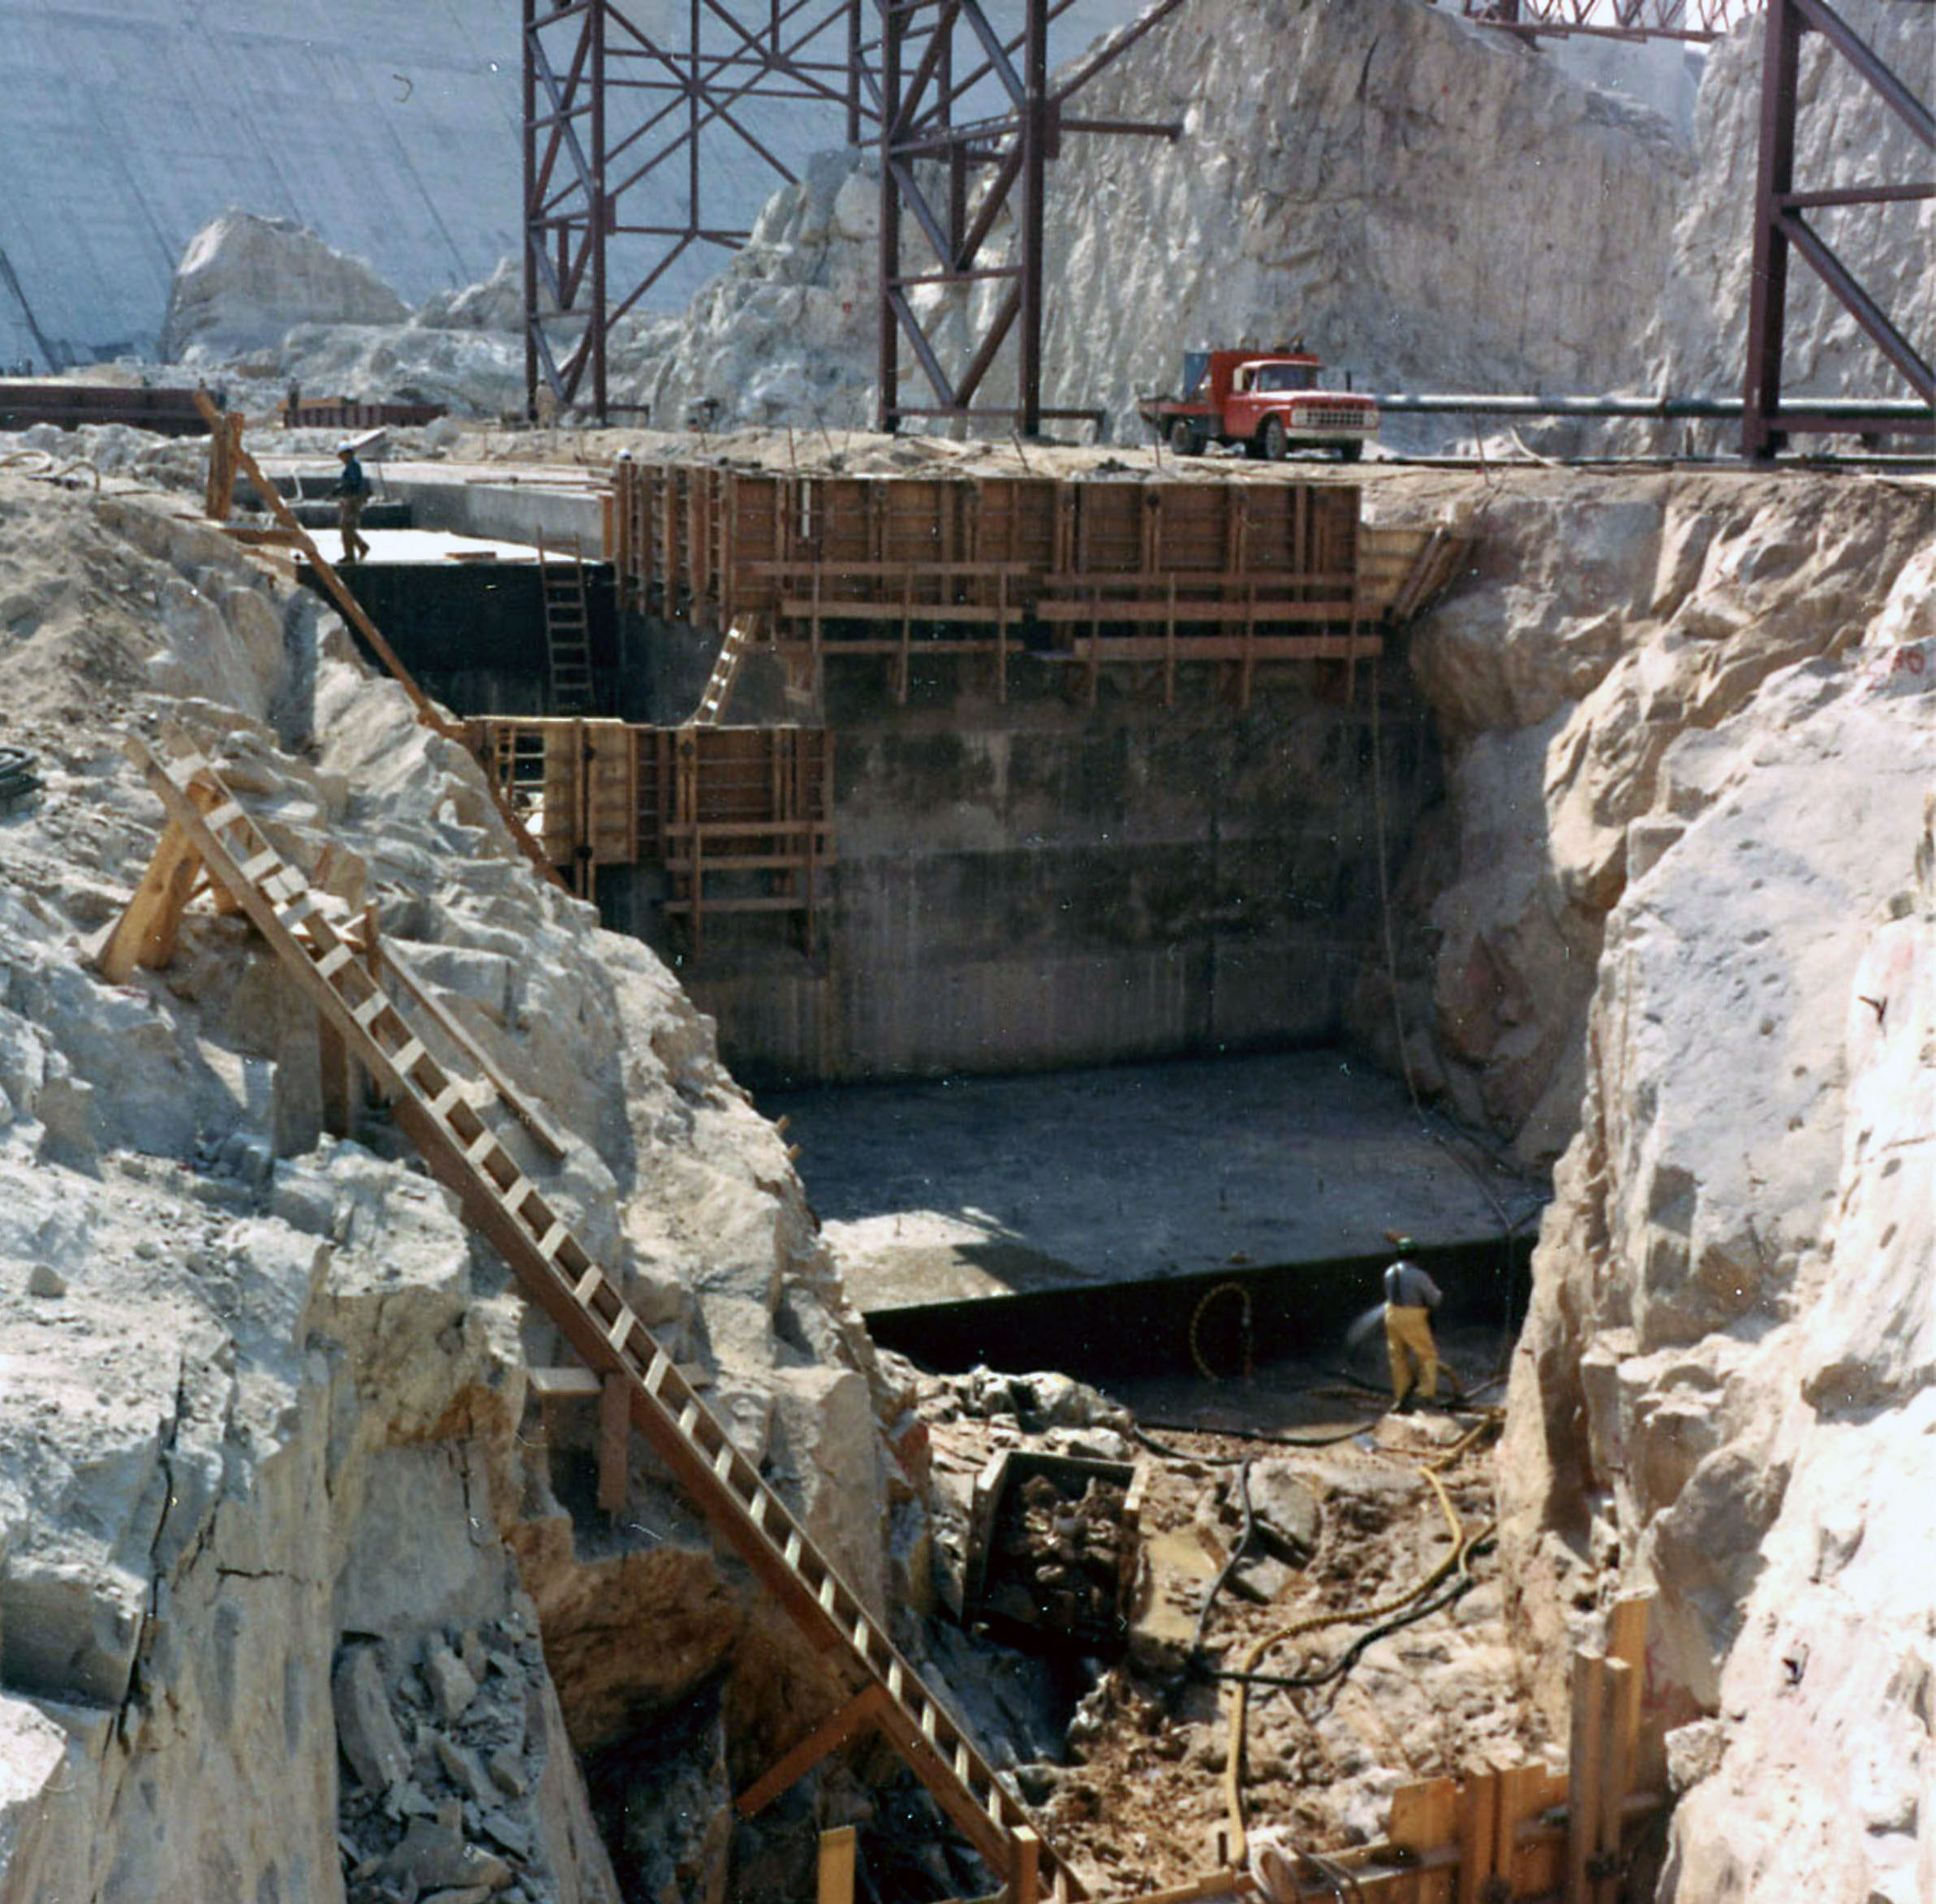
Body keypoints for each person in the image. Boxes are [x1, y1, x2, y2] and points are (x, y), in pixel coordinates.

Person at [1382, 1238, 1442, 1412]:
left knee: (1397, 1356)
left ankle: (1402, 1397)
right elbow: (1435, 1299)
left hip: (1391, 1314)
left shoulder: (1389, 1272)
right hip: (1412, 1315)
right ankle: (1426, 1394)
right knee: (1427, 1354)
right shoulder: (1418, 1275)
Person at [330, 442, 372, 564]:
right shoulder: (351, 466)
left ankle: (356, 550)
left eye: (341, 455)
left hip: (353, 499)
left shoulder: (353, 465)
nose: (340, 459)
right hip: (349, 498)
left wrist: (341, 489)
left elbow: (353, 483)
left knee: (347, 526)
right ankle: (354, 551)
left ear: (347, 454)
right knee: (346, 527)